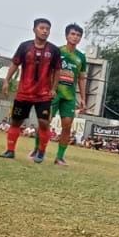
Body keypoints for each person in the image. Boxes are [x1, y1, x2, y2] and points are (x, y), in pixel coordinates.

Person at [0, 19, 61, 162]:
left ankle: (41, 152)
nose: (45, 31)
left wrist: (53, 88)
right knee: (16, 122)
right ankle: (10, 150)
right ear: (34, 29)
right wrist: (7, 80)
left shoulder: (53, 50)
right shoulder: (24, 47)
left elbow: (57, 70)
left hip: (43, 94)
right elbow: (15, 64)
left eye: (48, 29)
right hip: (24, 92)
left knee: (44, 123)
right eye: (42, 28)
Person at [32, 23, 87, 166]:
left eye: (78, 35)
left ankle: (60, 157)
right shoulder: (56, 51)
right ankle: (38, 149)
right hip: (52, 93)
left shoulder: (81, 57)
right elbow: (46, 71)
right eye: (73, 34)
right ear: (67, 35)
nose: (75, 37)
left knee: (67, 126)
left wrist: (83, 98)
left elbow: (81, 78)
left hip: (69, 96)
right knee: (44, 122)